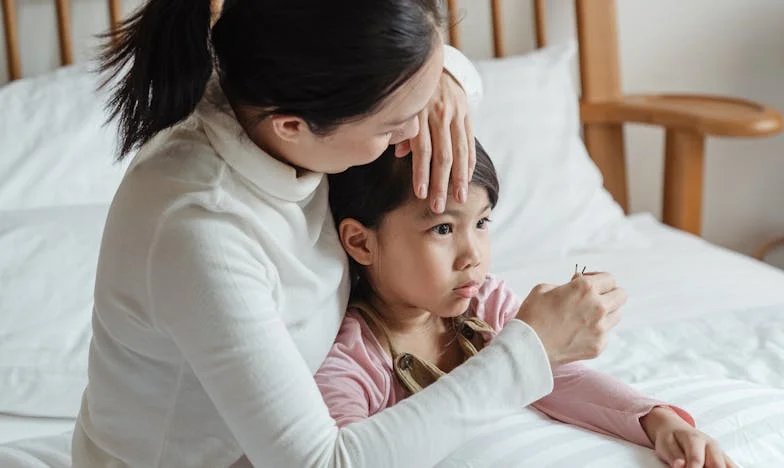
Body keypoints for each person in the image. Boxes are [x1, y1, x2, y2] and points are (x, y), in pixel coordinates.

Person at [74, 1, 628, 467]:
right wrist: (528, 352)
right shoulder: (202, 230)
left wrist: (446, 82)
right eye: (394, 125)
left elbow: (450, 83)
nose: (416, 132)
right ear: (294, 127)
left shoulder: (269, 88)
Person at [317, 141, 737, 468]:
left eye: (482, 223)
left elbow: (557, 377)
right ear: (361, 242)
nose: (473, 256)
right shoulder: (352, 359)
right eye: (443, 228)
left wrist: (657, 421)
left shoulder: (485, 303)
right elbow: (345, 455)